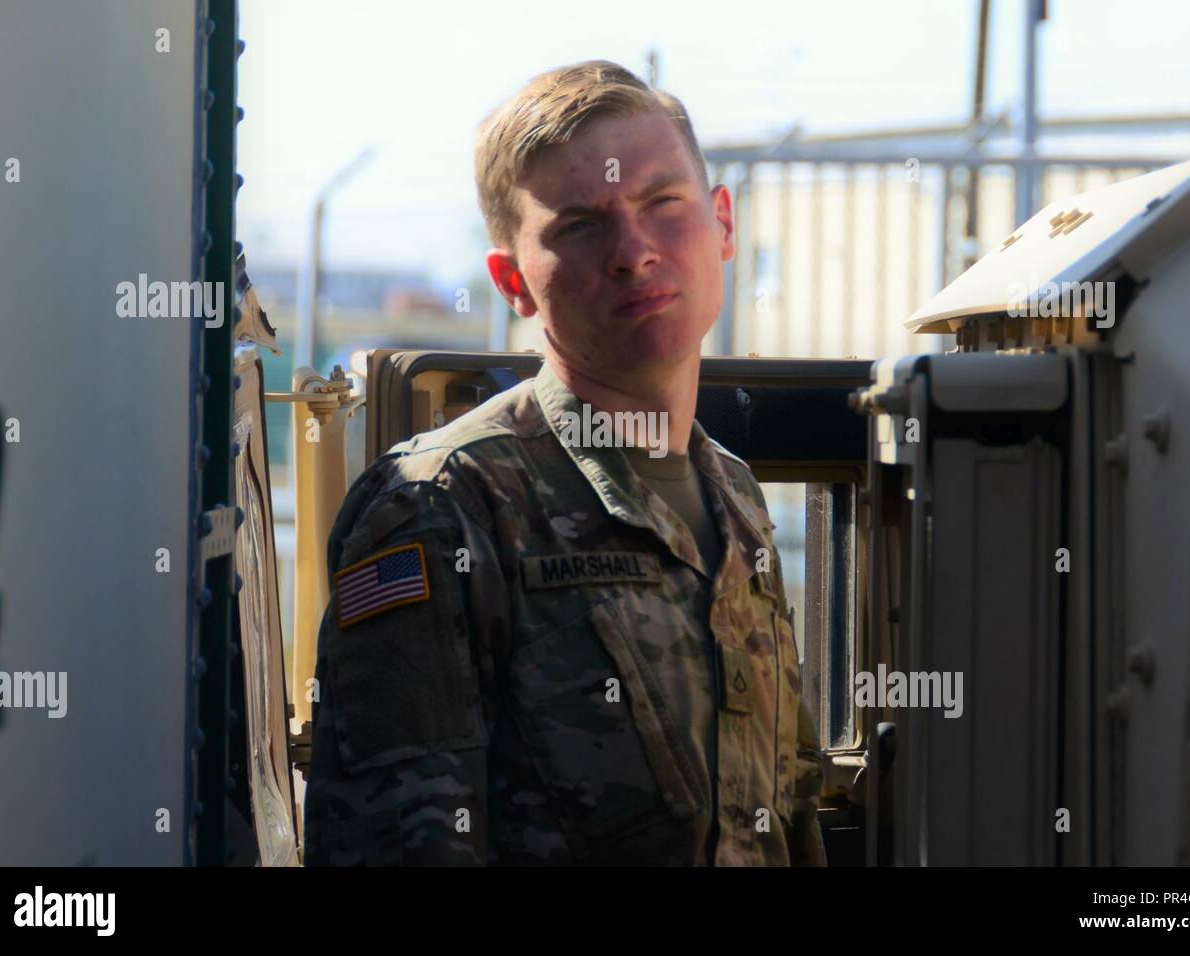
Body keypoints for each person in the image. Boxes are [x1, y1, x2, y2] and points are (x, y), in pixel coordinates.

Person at [304, 59, 826, 866]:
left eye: (663, 204)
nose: (633, 251)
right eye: (580, 224)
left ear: (723, 224)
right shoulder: (443, 507)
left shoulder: (736, 498)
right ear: (512, 281)